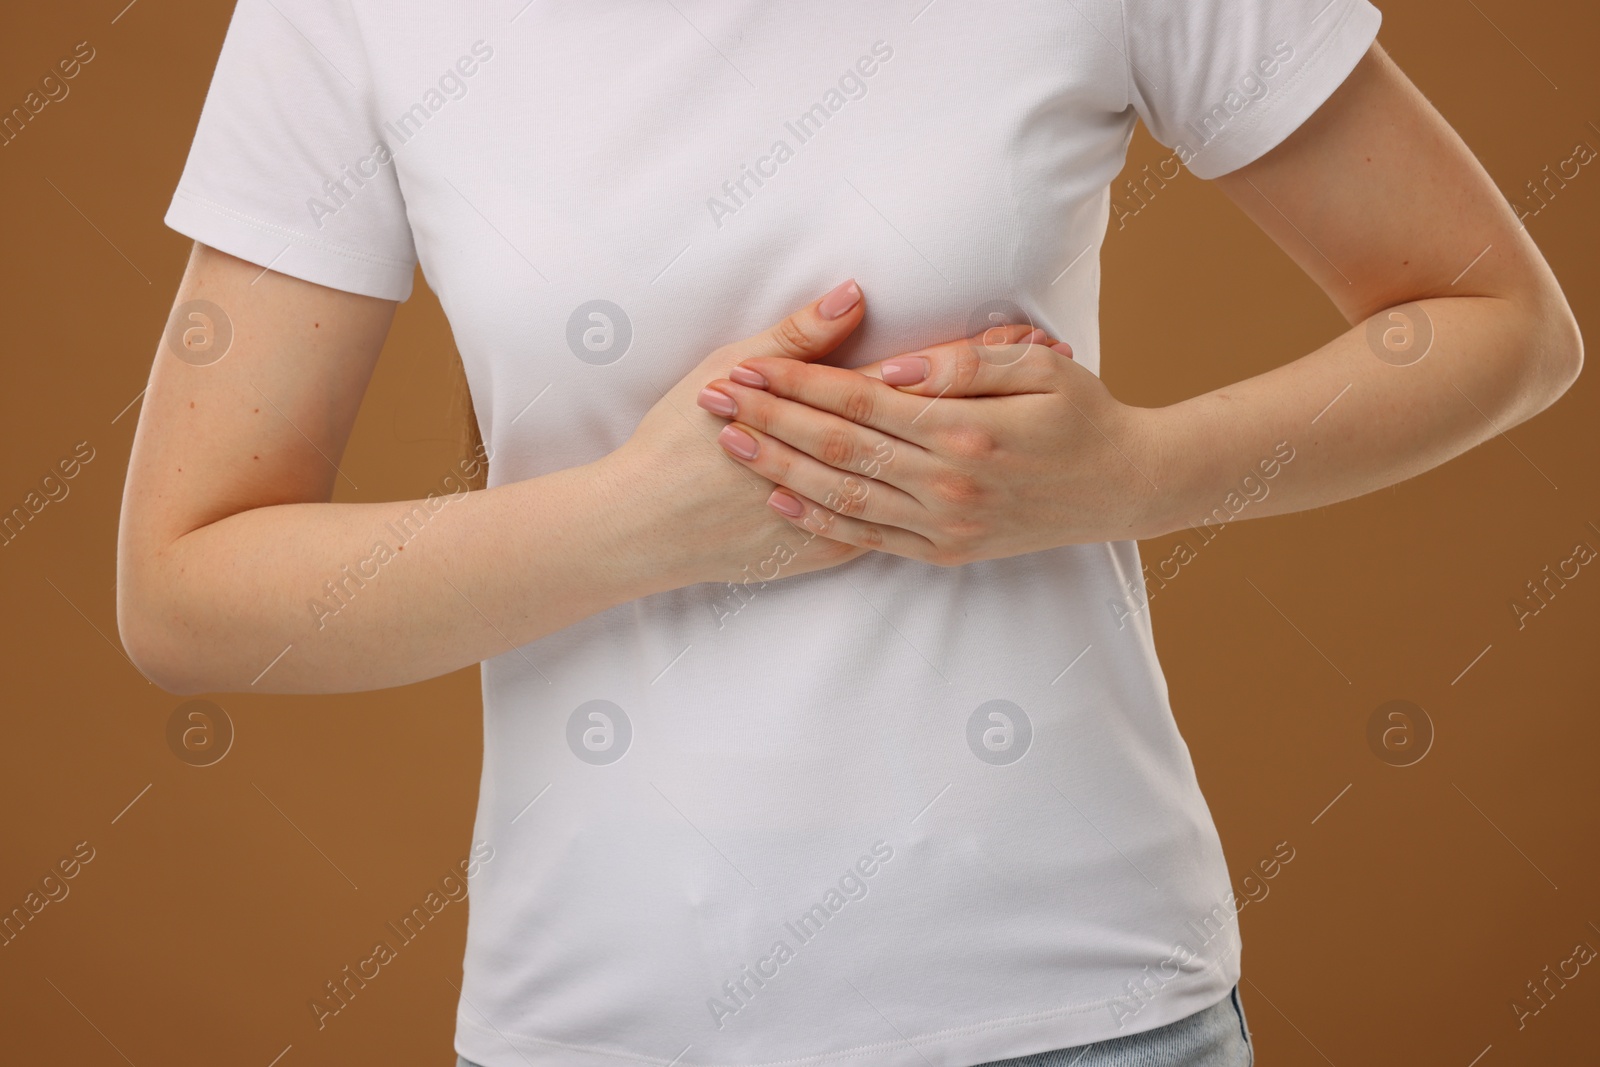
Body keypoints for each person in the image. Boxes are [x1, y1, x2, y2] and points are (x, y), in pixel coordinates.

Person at [118, 1, 1581, 1065]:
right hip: (607, 1023)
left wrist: (1130, 470)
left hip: (1087, 1010)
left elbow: (1499, 325)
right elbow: (184, 588)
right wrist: (632, 526)